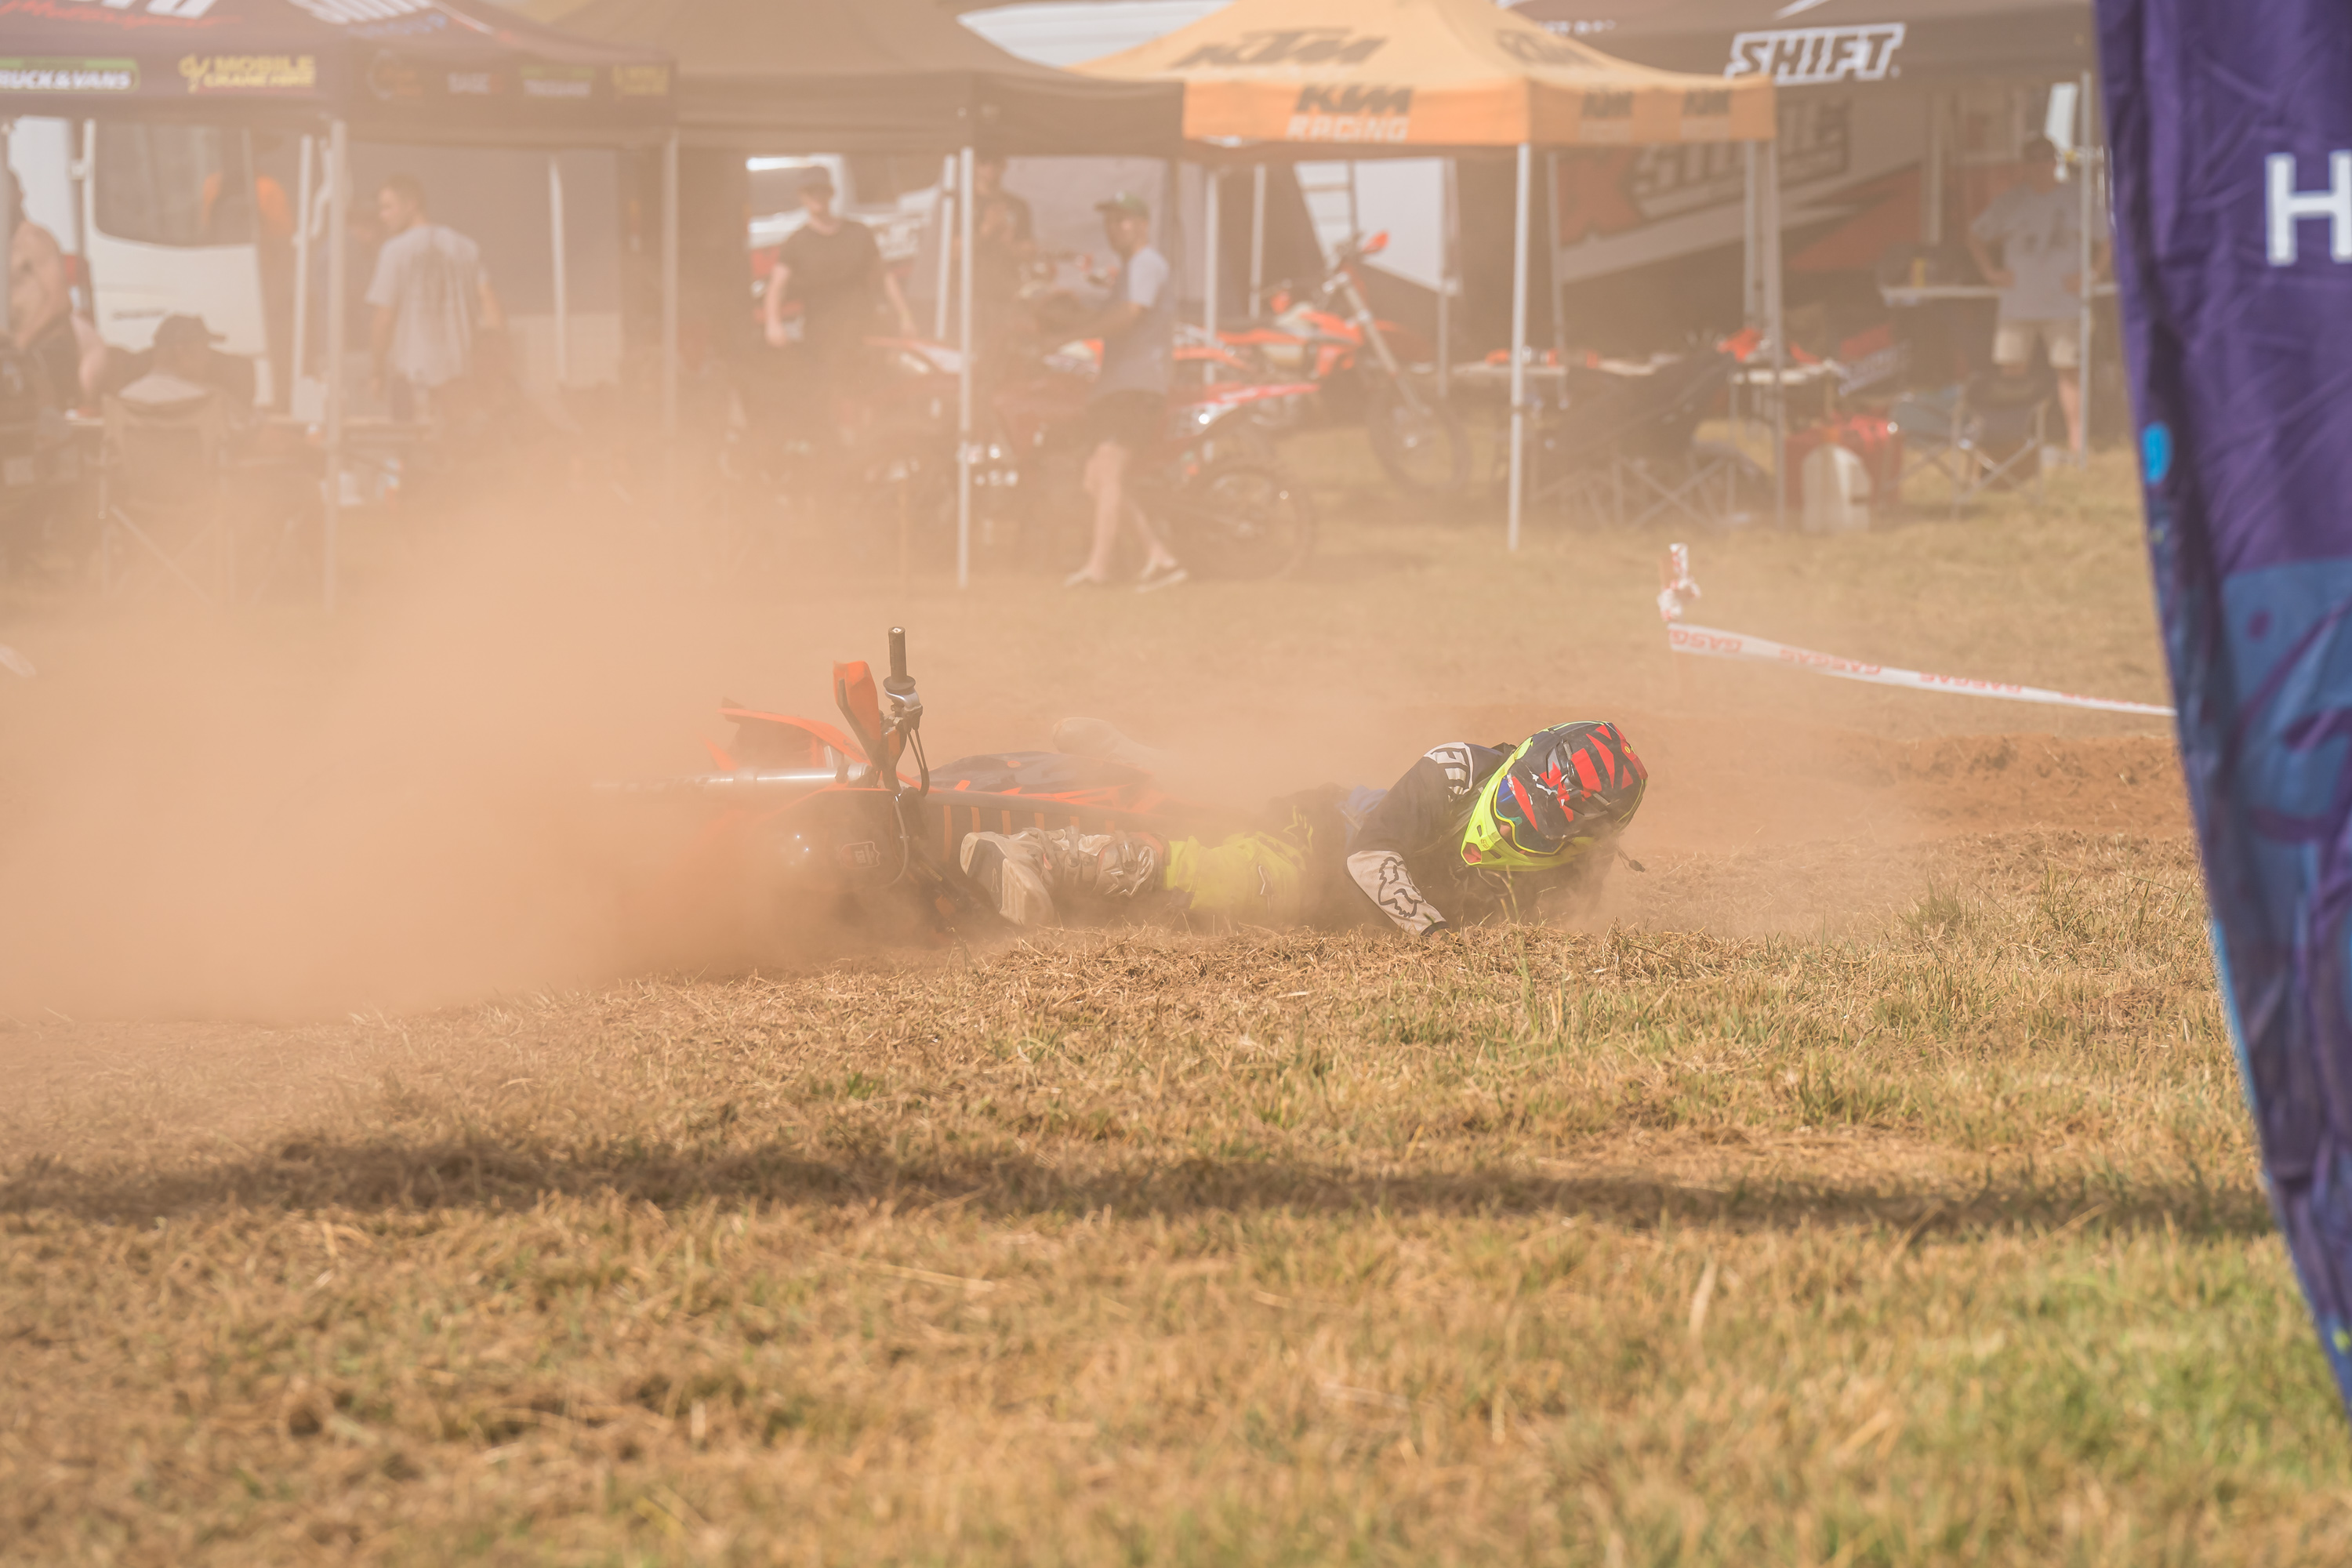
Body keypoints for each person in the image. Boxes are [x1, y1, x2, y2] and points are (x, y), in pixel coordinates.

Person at [962, 721, 1650, 935]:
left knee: (1211, 845)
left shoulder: (1575, 873)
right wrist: (1437, 937)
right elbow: (1370, 857)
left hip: (1344, 905)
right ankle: (1042, 852)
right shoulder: (1459, 767)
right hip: (1324, 838)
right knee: (1242, 877)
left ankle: (1129, 755)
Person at [1065, 193, 1184, 593]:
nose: (1115, 228)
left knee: (1109, 472)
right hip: (1119, 384)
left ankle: (1098, 570)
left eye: (1124, 220)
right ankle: (1160, 558)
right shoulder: (1130, 270)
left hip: (1138, 384)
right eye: (1110, 222)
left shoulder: (1147, 264)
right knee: (1096, 480)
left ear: (1143, 225)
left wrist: (1076, 334)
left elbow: (1129, 314)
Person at [1966, 136, 2107, 454]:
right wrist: (1990, 272)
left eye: (2046, 160)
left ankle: (2077, 445)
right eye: (2033, 161)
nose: (2040, 167)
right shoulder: (2011, 201)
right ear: (2024, 166)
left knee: (2070, 372)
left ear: (2054, 163)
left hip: (2064, 305)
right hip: (2017, 305)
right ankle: (2012, 440)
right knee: (2012, 375)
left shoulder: (2076, 198)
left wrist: (2092, 275)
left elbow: (2107, 241)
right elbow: (1975, 235)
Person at [365, 173, 502, 422]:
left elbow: (383, 318)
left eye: (388, 207)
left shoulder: (395, 251)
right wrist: (495, 362)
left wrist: (377, 370)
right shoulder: (466, 247)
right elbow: (489, 300)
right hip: (462, 377)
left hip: (414, 381)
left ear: (411, 205)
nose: (382, 216)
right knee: (460, 442)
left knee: (417, 442)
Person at [761, 168, 918, 374]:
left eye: (822, 190)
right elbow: (776, 288)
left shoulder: (859, 233)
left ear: (831, 193)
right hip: (821, 337)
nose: (817, 196)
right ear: (802, 197)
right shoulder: (796, 243)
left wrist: (905, 316)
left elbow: (885, 277)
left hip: (863, 330)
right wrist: (773, 323)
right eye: (810, 191)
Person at [8, 222, 105, 412]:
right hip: (19, 350)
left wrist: (20, 342)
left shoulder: (32, 238)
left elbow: (60, 301)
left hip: (48, 349)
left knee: (48, 419)